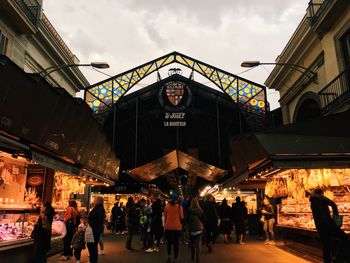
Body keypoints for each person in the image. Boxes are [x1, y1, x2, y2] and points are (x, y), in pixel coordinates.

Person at [310, 188, 349, 263]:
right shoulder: (321, 197)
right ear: (322, 193)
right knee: (344, 237)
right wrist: (337, 219)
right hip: (328, 225)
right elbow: (333, 204)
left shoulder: (312, 201)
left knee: (326, 246)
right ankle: (339, 257)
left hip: (319, 226)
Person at [164, 193, 184, 263]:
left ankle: (169, 256)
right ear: (176, 200)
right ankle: (175, 258)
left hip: (168, 227)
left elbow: (165, 216)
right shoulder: (179, 207)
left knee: (169, 243)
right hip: (177, 227)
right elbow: (182, 217)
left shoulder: (166, 206)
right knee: (176, 243)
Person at [87, 196, 106, 263]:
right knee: (92, 246)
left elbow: (97, 219)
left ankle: (93, 260)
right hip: (95, 229)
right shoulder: (99, 208)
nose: (93, 201)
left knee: (92, 246)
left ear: (98, 201)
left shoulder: (99, 209)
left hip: (95, 230)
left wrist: (90, 222)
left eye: (95, 200)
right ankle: (92, 260)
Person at [187, 197, 205, 263]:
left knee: (192, 243)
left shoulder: (189, 210)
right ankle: (198, 259)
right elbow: (204, 220)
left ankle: (192, 256)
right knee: (198, 245)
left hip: (191, 229)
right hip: (199, 229)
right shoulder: (200, 211)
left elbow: (187, 220)